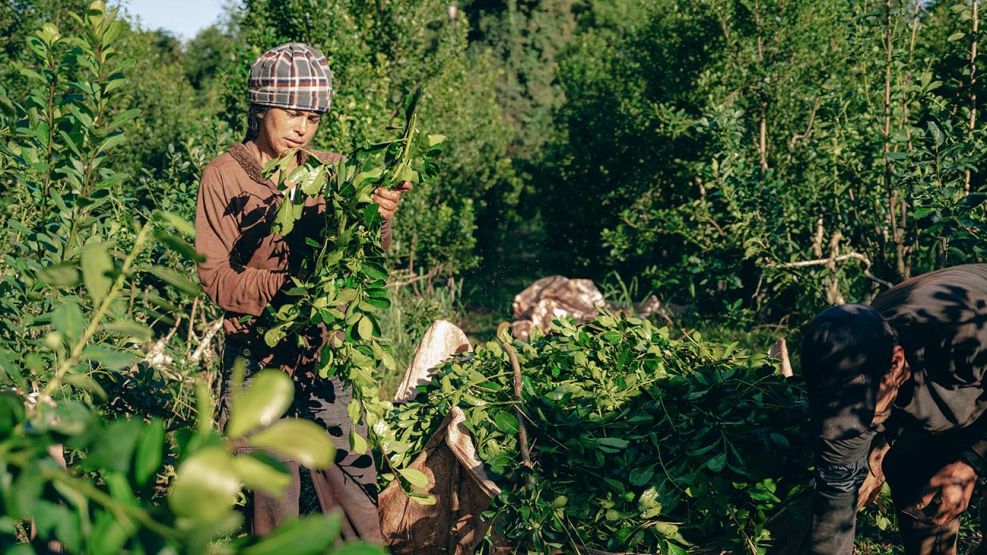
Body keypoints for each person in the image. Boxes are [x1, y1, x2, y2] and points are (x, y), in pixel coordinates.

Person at [194, 43, 411, 541]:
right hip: (257, 360)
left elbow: (364, 260)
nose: (301, 128)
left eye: (312, 118)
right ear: (259, 108)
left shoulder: (333, 173)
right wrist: (290, 287)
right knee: (275, 499)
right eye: (291, 114)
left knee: (353, 486)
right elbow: (216, 280)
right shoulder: (223, 176)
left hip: (324, 353)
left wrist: (377, 218)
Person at [801, 264, 987, 554]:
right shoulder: (851, 365)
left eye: (863, 407)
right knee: (913, 471)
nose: (858, 421)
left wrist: (971, 460)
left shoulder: (964, 333)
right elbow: (836, 493)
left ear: (896, 363)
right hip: (959, 393)